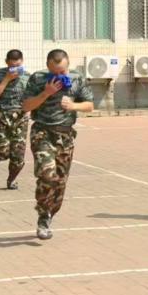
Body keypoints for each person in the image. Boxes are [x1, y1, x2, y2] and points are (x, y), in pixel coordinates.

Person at [22, 49, 94, 240]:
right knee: (46, 174)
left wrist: (74, 106)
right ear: (48, 67)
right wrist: (45, 93)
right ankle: (42, 216)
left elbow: (90, 105)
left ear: (68, 65)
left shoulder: (77, 79)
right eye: (55, 72)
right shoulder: (38, 79)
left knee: (60, 183)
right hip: (42, 133)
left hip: (65, 135)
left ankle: (49, 214)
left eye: (63, 71)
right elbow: (26, 106)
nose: (60, 75)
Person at [0, 49, 30, 190]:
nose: (15, 69)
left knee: (18, 155)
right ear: (7, 62)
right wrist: (6, 79)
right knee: (2, 152)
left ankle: (11, 179)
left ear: (22, 62)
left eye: (18, 66)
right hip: (3, 116)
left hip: (21, 118)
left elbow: (33, 97)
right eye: (12, 66)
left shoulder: (28, 77)